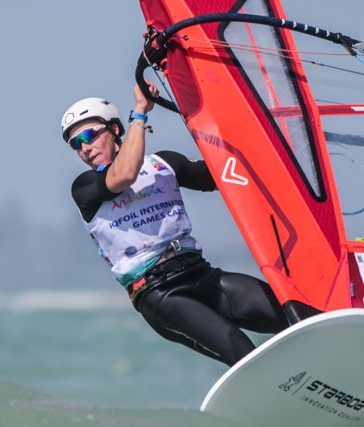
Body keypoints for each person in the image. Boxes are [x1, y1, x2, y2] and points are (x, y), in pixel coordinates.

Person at [60, 82, 288, 366]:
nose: (84, 148)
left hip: (201, 274)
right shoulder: (85, 188)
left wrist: (261, 133)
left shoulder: (164, 164)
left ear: (114, 129)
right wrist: (141, 112)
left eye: (89, 136)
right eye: (75, 144)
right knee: (242, 350)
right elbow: (125, 174)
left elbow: (225, 173)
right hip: (159, 295)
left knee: (295, 314)